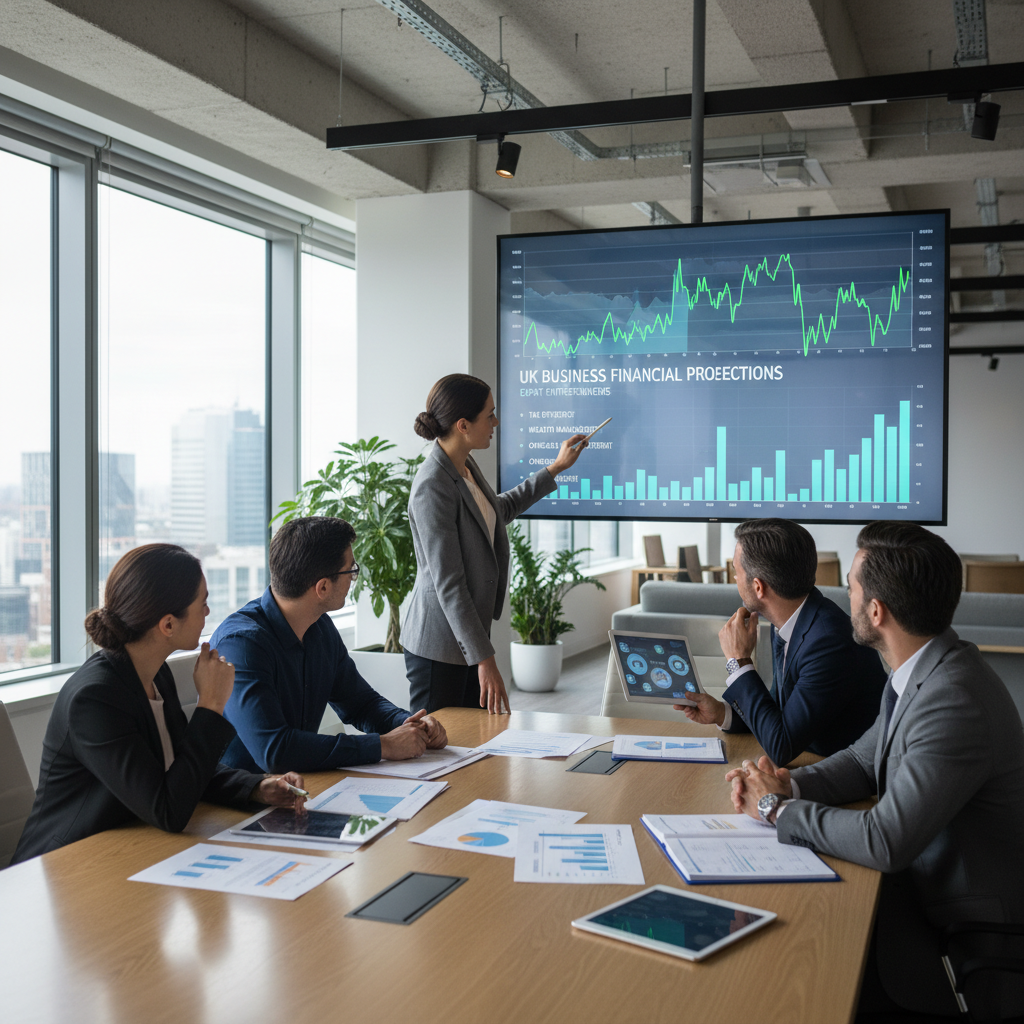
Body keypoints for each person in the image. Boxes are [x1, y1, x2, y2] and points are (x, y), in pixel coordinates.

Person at [728, 521, 1024, 1016]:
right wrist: (790, 784)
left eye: (850, 586)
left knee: (797, 972)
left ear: (876, 611)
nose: (842, 596)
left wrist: (775, 808)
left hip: (955, 930)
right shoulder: (925, 668)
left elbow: (885, 841)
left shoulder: (953, 698)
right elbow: (865, 760)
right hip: (922, 888)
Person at [12, 544, 304, 864]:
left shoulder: (156, 673)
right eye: (202, 604)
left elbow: (183, 772)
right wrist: (210, 704)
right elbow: (168, 810)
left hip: (129, 854)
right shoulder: (95, 699)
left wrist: (257, 787)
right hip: (64, 868)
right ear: (167, 625)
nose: (208, 613)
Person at [403, 373, 589, 714]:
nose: (496, 421)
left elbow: (498, 510)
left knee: (472, 749)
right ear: (463, 425)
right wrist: (485, 658)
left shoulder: (465, 467)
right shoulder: (432, 485)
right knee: (436, 754)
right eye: (489, 414)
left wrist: (556, 468)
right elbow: (449, 584)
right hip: (439, 647)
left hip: (466, 639)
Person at [212, 516, 447, 773]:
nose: (354, 578)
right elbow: (275, 750)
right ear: (322, 587)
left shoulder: (319, 627)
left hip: (301, 788)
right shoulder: (241, 646)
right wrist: (382, 746)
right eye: (351, 570)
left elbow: (361, 704)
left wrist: (410, 724)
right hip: (241, 804)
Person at [678, 518, 887, 765]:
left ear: (758, 587)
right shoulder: (792, 621)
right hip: (816, 762)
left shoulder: (829, 642)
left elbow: (781, 745)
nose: (735, 580)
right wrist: (722, 714)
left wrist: (739, 662)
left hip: (854, 780)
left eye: (736, 572)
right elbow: (780, 715)